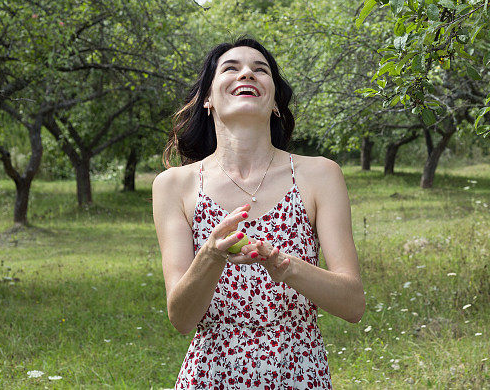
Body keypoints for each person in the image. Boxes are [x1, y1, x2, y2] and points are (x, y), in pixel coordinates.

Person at [152, 37, 365, 389]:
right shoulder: (173, 185)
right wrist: (211, 254)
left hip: (298, 373)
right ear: (207, 99)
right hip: (211, 376)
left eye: (260, 69)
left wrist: (285, 265)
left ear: (276, 103)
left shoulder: (320, 174)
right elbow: (182, 318)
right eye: (231, 68)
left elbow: (353, 304)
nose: (247, 73)